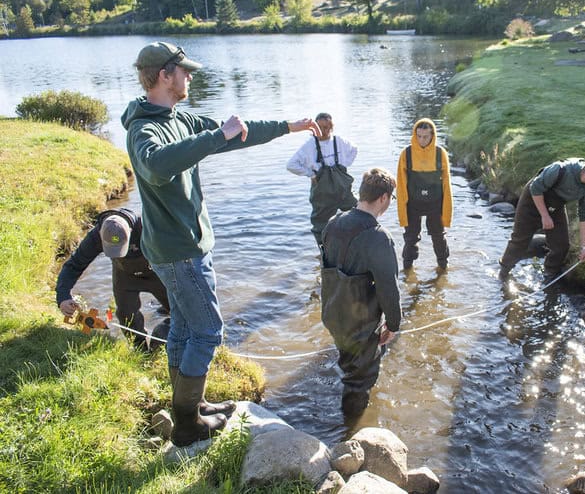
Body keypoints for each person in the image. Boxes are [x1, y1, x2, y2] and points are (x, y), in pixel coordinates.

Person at [123, 41, 321, 447]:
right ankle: (186, 424)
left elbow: (237, 132)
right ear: (164, 75)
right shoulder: (144, 129)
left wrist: (289, 126)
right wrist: (216, 135)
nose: (190, 77)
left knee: (181, 326)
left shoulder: (179, 117)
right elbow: (158, 165)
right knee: (209, 331)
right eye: (185, 71)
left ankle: (187, 411)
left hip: (184, 246)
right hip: (179, 251)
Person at [320, 168, 402, 416]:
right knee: (360, 380)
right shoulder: (379, 238)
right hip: (362, 324)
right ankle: (350, 429)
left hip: (333, 313)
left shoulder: (333, 223)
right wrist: (394, 324)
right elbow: (389, 287)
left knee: (349, 364)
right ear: (384, 198)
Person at [55, 207, 170, 351]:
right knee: (126, 316)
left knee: (181, 312)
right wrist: (63, 296)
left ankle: (165, 344)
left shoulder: (149, 227)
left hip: (158, 274)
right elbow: (74, 265)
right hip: (125, 276)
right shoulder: (96, 236)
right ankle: (141, 352)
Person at [498, 158, 585, 282]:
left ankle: (549, 275)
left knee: (561, 246)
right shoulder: (559, 170)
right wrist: (545, 215)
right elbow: (535, 188)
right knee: (520, 240)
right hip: (532, 199)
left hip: (556, 205)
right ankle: (504, 273)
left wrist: (584, 247)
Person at [287, 112, 358, 246]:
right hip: (322, 191)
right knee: (320, 224)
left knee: (357, 213)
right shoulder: (309, 145)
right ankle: (324, 252)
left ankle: (354, 245)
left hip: (343, 188)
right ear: (314, 128)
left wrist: (344, 164)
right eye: (320, 127)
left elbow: (354, 149)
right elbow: (291, 165)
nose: (323, 131)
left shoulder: (339, 140)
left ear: (332, 127)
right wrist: (311, 174)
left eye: (327, 127)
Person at [396, 119, 453, 270]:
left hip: (435, 204)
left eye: (425, 137)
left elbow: (447, 186)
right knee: (410, 239)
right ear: (415, 134)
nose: (422, 140)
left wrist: (446, 214)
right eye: (419, 136)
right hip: (413, 204)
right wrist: (402, 213)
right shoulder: (406, 154)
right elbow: (401, 186)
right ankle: (407, 269)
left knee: (439, 237)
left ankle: (443, 268)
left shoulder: (440, 154)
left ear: (432, 135)